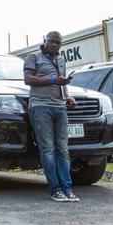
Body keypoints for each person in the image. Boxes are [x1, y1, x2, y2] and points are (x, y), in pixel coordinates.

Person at [23, 31, 79, 202]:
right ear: (44, 41)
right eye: (52, 41)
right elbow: (28, 79)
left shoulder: (61, 60)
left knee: (63, 149)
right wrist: (54, 81)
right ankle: (55, 189)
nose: (54, 44)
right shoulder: (33, 57)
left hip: (60, 107)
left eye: (58, 42)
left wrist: (67, 96)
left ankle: (67, 188)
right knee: (48, 149)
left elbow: (62, 82)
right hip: (41, 107)